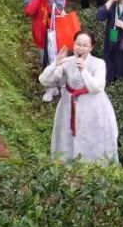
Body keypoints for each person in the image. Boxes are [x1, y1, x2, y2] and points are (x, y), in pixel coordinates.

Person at [39, 31, 118, 162]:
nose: (81, 48)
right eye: (78, 44)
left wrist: (84, 70)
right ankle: (67, 167)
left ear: (91, 47)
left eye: (85, 45)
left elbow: (97, 87)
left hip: (93, 105)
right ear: (73, 44)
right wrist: (56, 63)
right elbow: (45, 80)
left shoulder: (98, 63)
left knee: (91, 136)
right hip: (68, 104)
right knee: (67, 136)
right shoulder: (68, 61)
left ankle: (92, 167)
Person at [23, 0, 67, 72]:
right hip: (40, 33)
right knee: (45, 63)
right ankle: (48, 86)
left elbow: (57, 11)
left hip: (57, 34)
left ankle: (62, 86)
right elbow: (29, 12)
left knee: (59, 63)